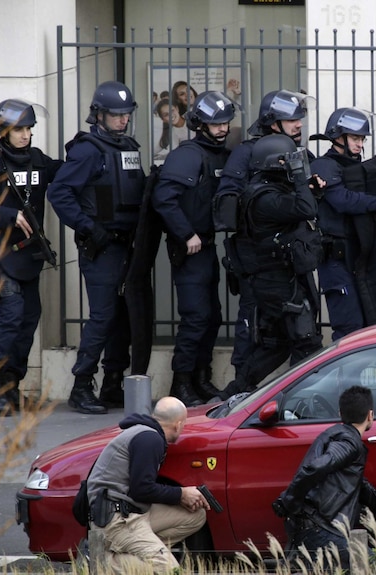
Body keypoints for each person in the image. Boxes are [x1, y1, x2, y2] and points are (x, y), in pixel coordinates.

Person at [47, 80, 146, 414]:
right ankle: (81, 385)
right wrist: (89, 227)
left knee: (123, 318)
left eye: (126, 114)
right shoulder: (88, 150)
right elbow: (59, 193)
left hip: (127, 245)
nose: (122, 120)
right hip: (101, 249)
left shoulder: (129, 146)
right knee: (103, 317)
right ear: (99, 115)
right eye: (115, 115)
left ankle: (113, 383)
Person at [214, 89, 315, 390]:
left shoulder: (293, 147)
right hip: (257, 255)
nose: (299, 125)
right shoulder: (247, 152)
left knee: (291, 330)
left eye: (299, 119)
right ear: (273, 123)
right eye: (292, 119)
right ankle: (239, 387)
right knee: (253, 322)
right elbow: (229, 201)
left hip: (289, 256)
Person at [152, 91, 236, 406]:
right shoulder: (188, 155)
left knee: (211, 316)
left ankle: (201, 378)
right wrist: (186, 233)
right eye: (216, 124)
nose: (222, 128)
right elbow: (164, 198)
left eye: (226, 122)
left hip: (208, 245)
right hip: (190, 248)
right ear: (200, 124)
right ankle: (181, 384)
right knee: (196, 316)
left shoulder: (217, 153)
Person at [0, 99, 61, 416]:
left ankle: (11, 386)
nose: (25, 135)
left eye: (29, 129)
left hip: (27, 256)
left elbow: (62, 171)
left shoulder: (36, 159)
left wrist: (86, 150)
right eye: (19, 129)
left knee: (29, 317)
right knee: (13, 313)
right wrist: (7, 215)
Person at [272, 385, 376, 569]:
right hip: (320, 530)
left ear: (341, 413)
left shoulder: (336, 435)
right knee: (375, 566)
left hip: (313, 527)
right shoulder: (348, 442)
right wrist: (288, 500)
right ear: (370, 415)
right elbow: (316, 468)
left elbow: (354, 483)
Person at [85, 396, 210, 573]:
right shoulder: (150, 440)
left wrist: (180, 497)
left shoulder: (143, 433)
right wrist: (181, 494)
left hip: (133, 511)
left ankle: (138, 549)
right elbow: (141, 489)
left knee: (195, 515)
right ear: (178, 424)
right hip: (118, 520)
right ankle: (104, 563)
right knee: (170, 570)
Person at [308, 107, 376, 340]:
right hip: (335, 260)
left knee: (368, 324)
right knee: (349, 327)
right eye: (355, 138)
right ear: (338, 136)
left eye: (362, 138)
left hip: (357, 257)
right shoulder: (324, 166)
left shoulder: (355, 166)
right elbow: (341, 200)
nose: (360, 143)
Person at [152, 98, 190, 166]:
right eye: (166, 115)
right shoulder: (170, 133)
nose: (171, 115)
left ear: (177, 109)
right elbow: (155, 150)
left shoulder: (191, 122)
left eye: (172, 111)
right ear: (163, 119)